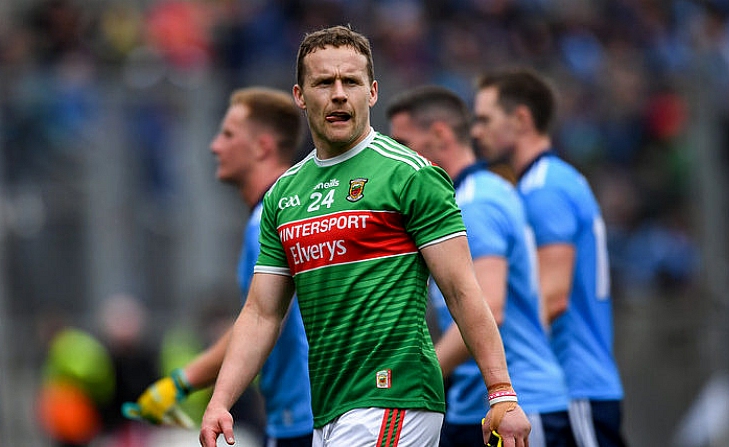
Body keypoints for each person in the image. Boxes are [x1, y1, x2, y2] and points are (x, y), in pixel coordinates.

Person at [199, 25, 531, 447]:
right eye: (324, 82)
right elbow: (262, 313)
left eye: (350, 82)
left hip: (395, 395)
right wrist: (220, 401)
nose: (339, 93)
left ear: (371, 92)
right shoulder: (284, 194)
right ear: (300, 95)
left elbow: (463, 289)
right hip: (330, 410)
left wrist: (501, 393)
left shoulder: (409, 174)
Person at [124, 87, 314, 447]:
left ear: (262, 146)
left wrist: (181, 382)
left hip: (304, 417)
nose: (215, 146)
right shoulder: (289, 210)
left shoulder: (270, 221)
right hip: (299, 414)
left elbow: (261, 320)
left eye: (228, 135)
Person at [386, 85, 575, 447]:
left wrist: (417, 377)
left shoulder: (472, 203)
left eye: (403, 144)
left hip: (514, 405)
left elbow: (490, 306)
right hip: (476, 404)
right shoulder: (479, 193)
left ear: (440, 135)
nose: (395, 158)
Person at [470, 68, 627, 447]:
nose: (475, 132)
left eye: (485, 119)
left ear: (521, 119)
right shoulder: (549, 181)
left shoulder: (544, 189)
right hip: (579, 383)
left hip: (575, 386)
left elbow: (552, 298)